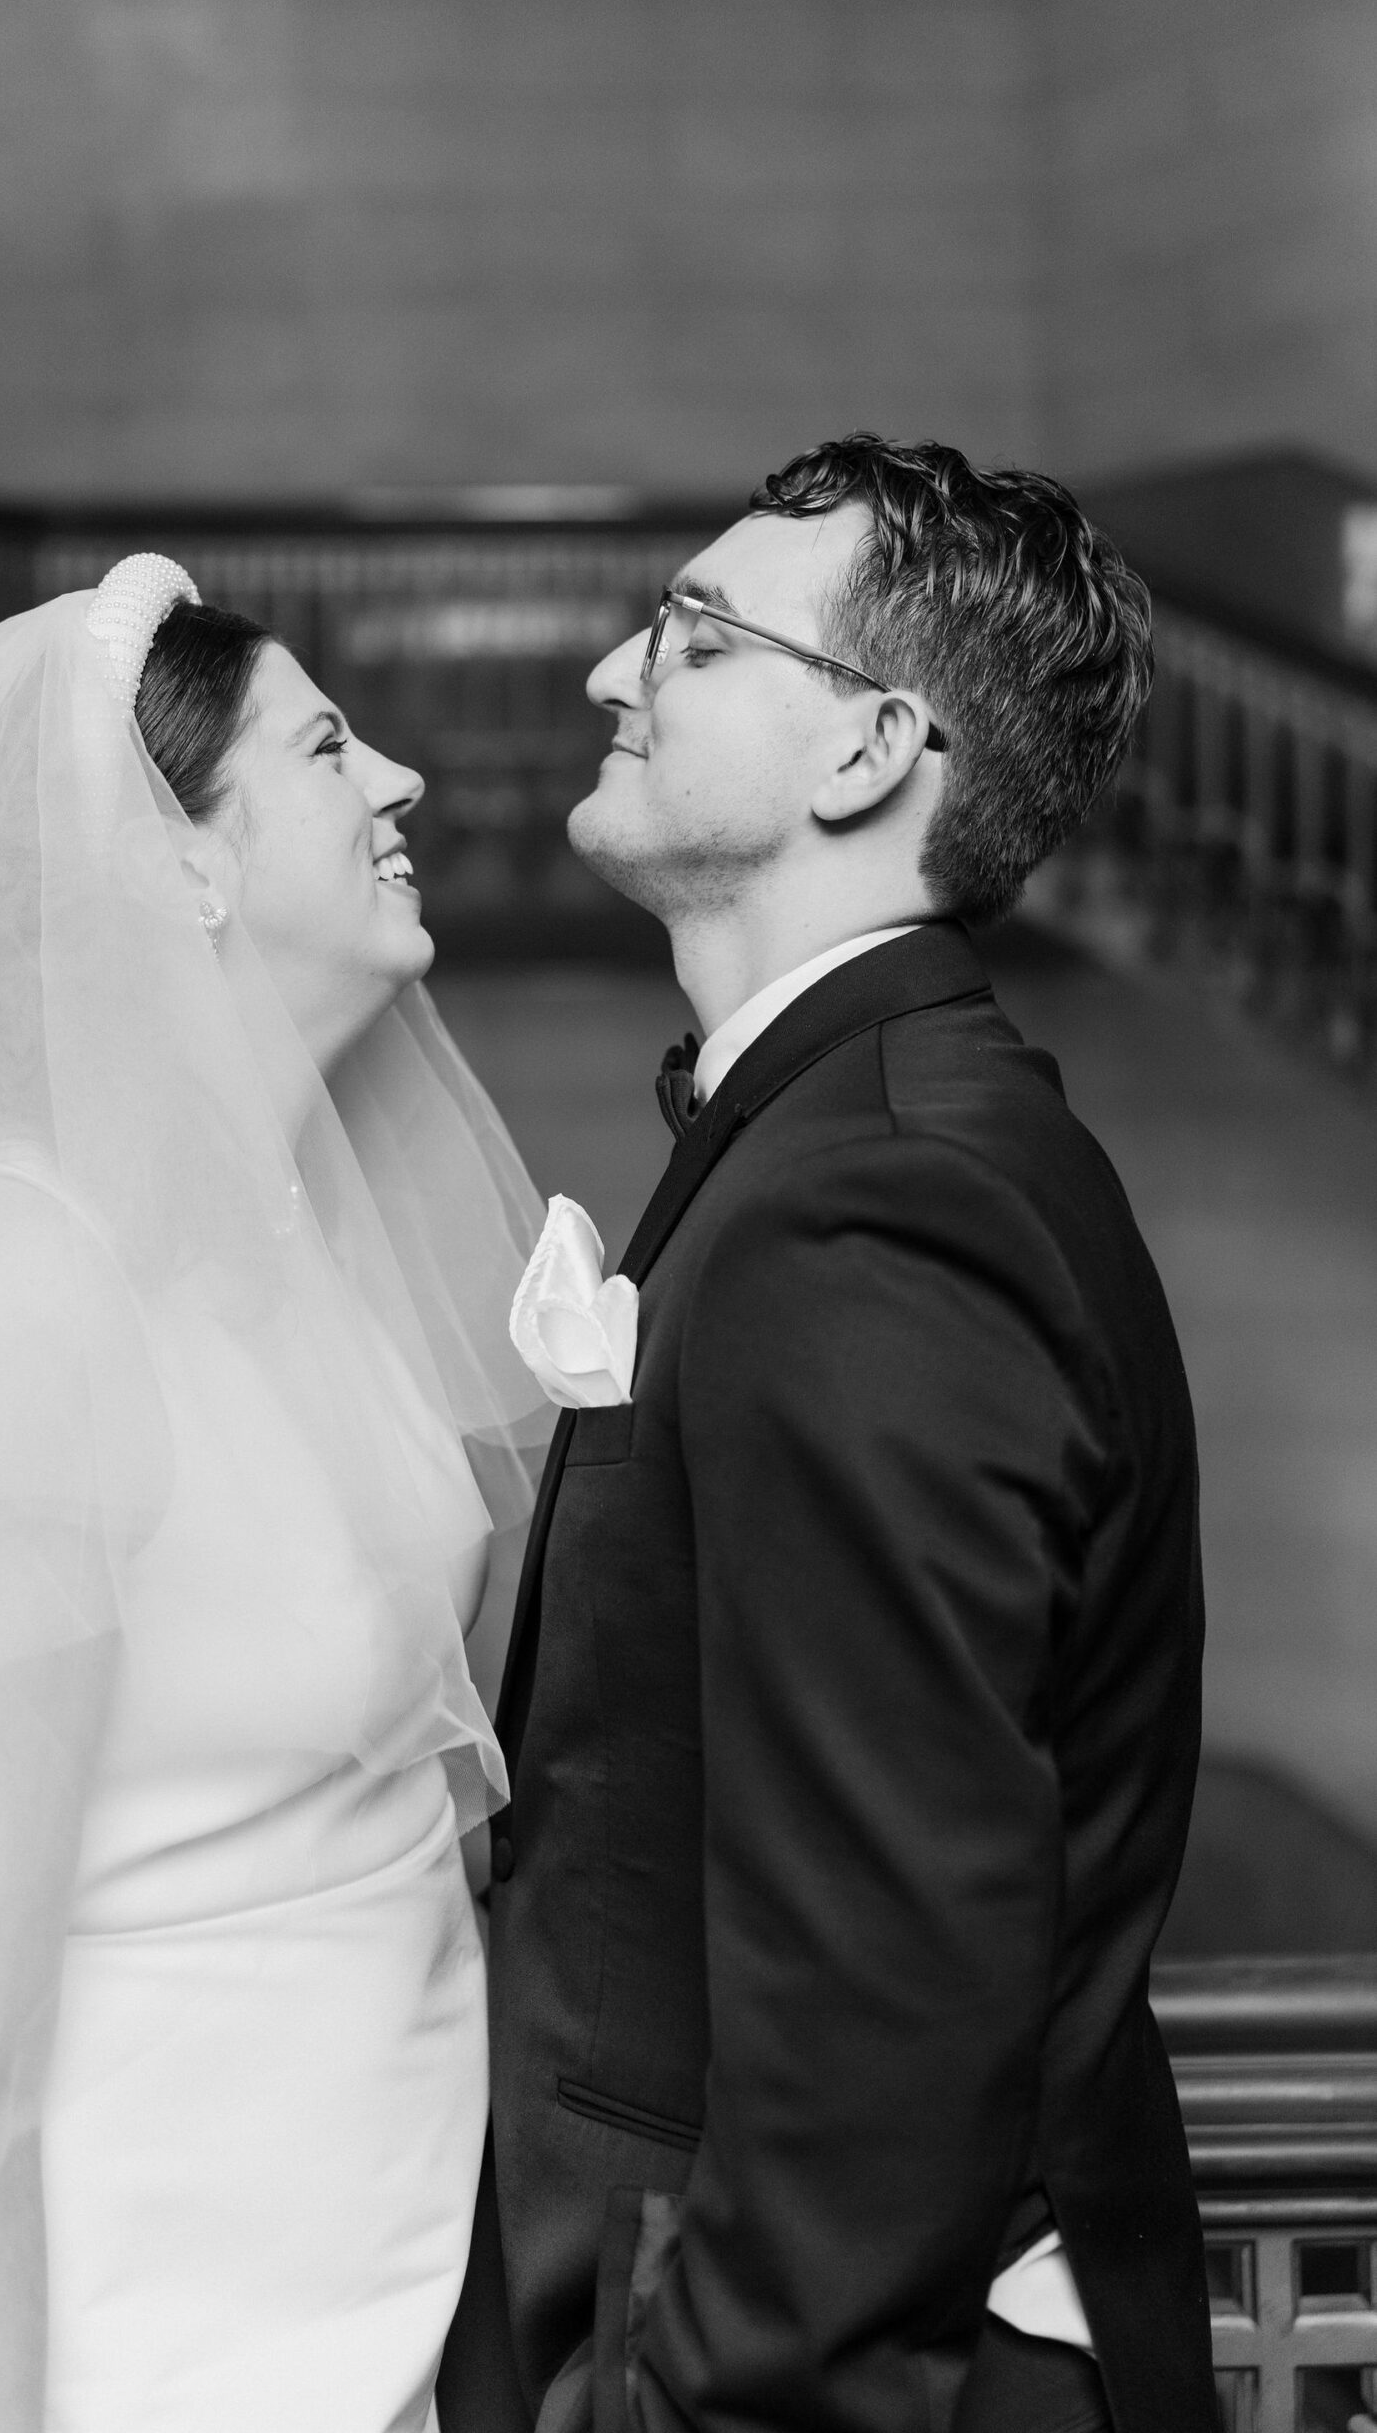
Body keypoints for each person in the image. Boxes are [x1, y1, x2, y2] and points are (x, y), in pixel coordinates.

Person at [0, 555, 553, 2433]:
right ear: (179, 861)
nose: (398, 779)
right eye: (327, 748)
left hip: (345, 2323)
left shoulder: (276, 1253)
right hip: (112, 2362)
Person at [440, 438, 1219, 2432]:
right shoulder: (836, 1135)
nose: (616, 670)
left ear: (870, 748)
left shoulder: (878, 1198)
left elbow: (887, 1969)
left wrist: (704, 2404)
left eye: (691, 634)